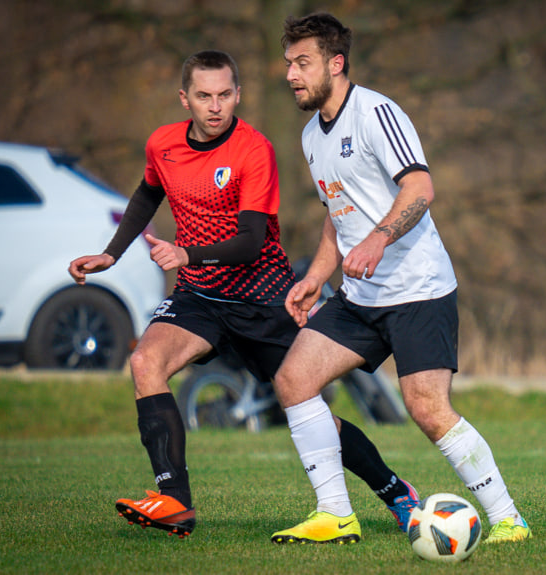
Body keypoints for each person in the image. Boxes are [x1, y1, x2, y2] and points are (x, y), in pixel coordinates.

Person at [68, 49, 419, 539]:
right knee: (146, 362)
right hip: (199, 299)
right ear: (184, 98)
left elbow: (251, 239)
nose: (215, 106)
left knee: (308, 410)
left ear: (239, 94)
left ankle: (394, 491)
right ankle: (174, 500)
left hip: (262, 298)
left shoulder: (254, 149)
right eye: (204, 96)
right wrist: (112, 253)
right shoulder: (162, 145)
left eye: (225, 95)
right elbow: (149, 192)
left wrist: (186, 254)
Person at [271, 13, 532, 546]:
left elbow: (419, 188)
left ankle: (508, 520)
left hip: (419, 290)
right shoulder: (310, 137)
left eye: (303, 63)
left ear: (335, 63)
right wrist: (318, 277)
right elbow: (336, 213)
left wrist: (378, 238)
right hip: (360, 296)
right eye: (288, 64)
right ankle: (335, 514)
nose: (292, 74)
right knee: (293, 381)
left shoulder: (376, 113)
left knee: (427, 410)